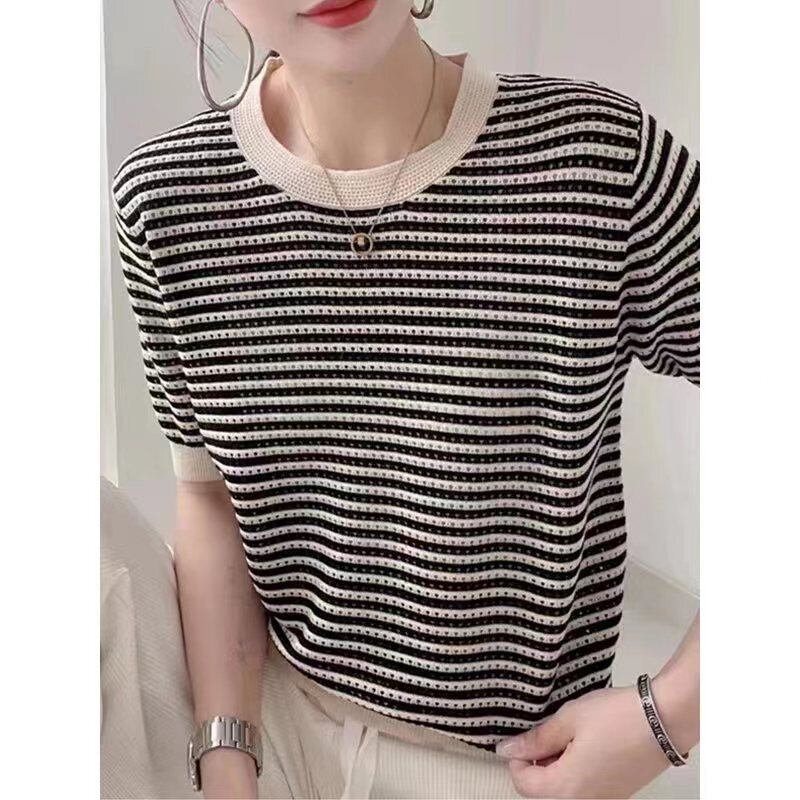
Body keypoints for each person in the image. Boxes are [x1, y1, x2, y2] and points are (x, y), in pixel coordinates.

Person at [108, 1, 700, 797]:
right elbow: (209, 495)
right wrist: (226, 760)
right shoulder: (165, 201)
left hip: (510, 760)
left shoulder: (595, 162)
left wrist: (671, 715)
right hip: (271, 717)